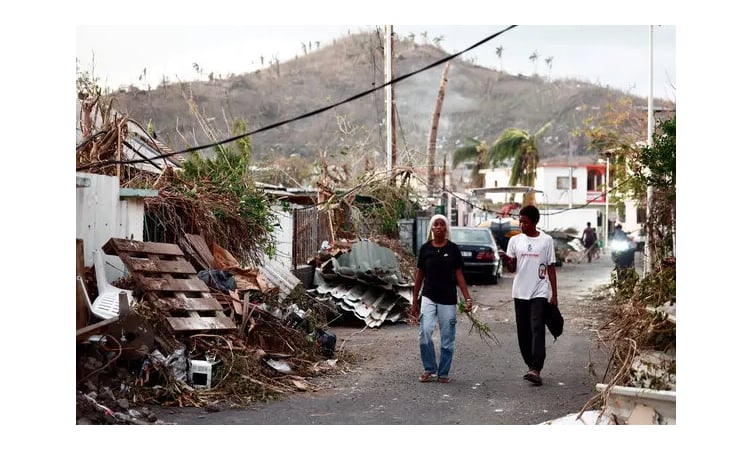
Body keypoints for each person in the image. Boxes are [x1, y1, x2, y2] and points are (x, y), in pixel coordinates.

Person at [499, 205, 558, 386]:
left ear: (534, 222)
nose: (521, 225)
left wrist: (554, 294)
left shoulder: (546, 241)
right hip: (519, 292)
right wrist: (506, 260)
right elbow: (512, 268)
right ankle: (530, 364)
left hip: (539, 291)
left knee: (537, 328)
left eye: (525, 222)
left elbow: (551, 267)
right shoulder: (515, 241)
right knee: (523, 332)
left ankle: (536, 368)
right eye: (520, 221)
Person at [411, 214, 474, 384]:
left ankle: (443, 372)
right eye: (435, 225)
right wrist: (414, 299)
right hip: (428, 296)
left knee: (447, 338)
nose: (438, 227)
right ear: (431, 228)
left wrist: (467, 298)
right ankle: (429, 368)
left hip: (448, 299)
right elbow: (420, 275)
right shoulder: (425, 249)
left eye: (442, 225)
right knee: (425, 332)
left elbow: (459, 274)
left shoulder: (453, 249)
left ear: (446, 228)